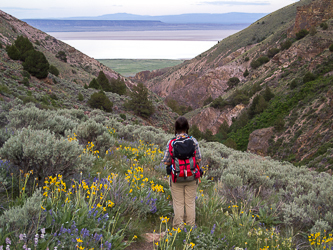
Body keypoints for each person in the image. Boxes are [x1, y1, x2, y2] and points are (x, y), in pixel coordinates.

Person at [162, 116, 202, 228]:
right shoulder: (193, 141)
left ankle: (178, 228)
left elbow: (166, 161)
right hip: (192, 176)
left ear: (176, 128)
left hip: (176, 177)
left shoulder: (171, 142)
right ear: (187, 127)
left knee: (178, 203)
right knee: (190, 203)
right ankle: (190, 228)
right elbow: (198, 159)